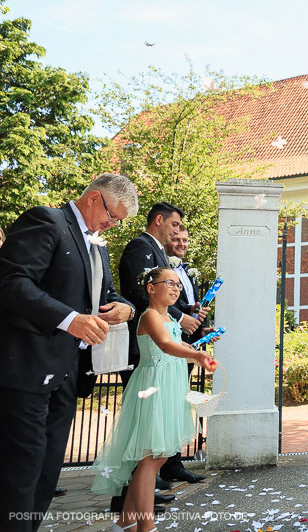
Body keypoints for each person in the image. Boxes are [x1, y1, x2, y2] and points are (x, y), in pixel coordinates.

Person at [0, 173, 138, 531]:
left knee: (47, 472)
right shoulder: (46, 221)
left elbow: (105, 294)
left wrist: (125, 308)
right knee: (21, 471)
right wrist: (69, 319)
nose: (112, 224)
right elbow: (12, 283)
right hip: (29, 369)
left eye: (118, 221)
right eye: (112, 215)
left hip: (69, 373)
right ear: (93, 198)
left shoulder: (96, 244)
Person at [91, 267, 217, 532]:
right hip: (154, 386)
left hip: (170, 385)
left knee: (157, 458)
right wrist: (194, 356)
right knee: (150, 458)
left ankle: (125, 522)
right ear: (151, 288)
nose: (175, 288)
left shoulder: (169, 318)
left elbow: (179, 344)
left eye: (178, 285)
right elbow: (164, 345)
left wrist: (199, 351)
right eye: (169, 283)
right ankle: (146, 526)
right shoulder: (149, 316)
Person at [118, 203, 207, 490]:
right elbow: (142, 295)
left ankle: (159, 475)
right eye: (175, 225)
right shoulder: (139, 248)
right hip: (149, 355)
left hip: (168, 356)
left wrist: (190, 316)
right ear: (160, 220)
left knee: (162, 423)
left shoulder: (158, 252)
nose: (177, 231)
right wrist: (181, 318)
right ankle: (139, 488)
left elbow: (166, 301)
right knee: (147, 427)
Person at [159, 225, 211, 486]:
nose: (181, 244)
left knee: (180, 403)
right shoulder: (163, 271)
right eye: (176, 239)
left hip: (189, 341)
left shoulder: (187, 272)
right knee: (166, 406)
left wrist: (203, 327)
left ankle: (174, 464)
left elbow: (190, 308)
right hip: (169, 342)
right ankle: (159, 465)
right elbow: (171, 309)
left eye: (185, 240)